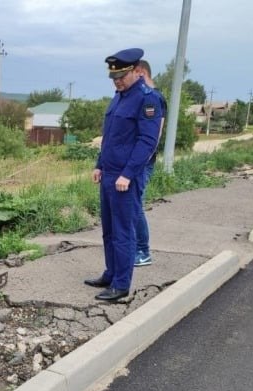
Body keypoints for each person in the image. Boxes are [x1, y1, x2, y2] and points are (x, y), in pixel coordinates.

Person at [84, 48, 163, 302]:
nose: (117, 82)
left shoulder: (147, 99)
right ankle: (111, 273)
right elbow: (110, 137)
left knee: (123, 231)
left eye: (122, 77)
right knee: (108, 229)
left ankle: (121, 285)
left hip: (125, 179)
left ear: (136, 71)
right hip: (109, 174)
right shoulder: (118, 97)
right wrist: (99, 165)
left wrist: (128, 174)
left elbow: (147, 141)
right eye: (114, 78)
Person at [132, 59, 167, 267]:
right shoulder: (139, 97)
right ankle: (133, 247)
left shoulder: (155, 99)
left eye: (130, 73)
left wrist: (139, 162)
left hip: (142, 163)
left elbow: (154, 136)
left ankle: (143, 251)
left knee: (135, 206)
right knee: (131, 206)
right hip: (133, 162)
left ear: (141, 72)